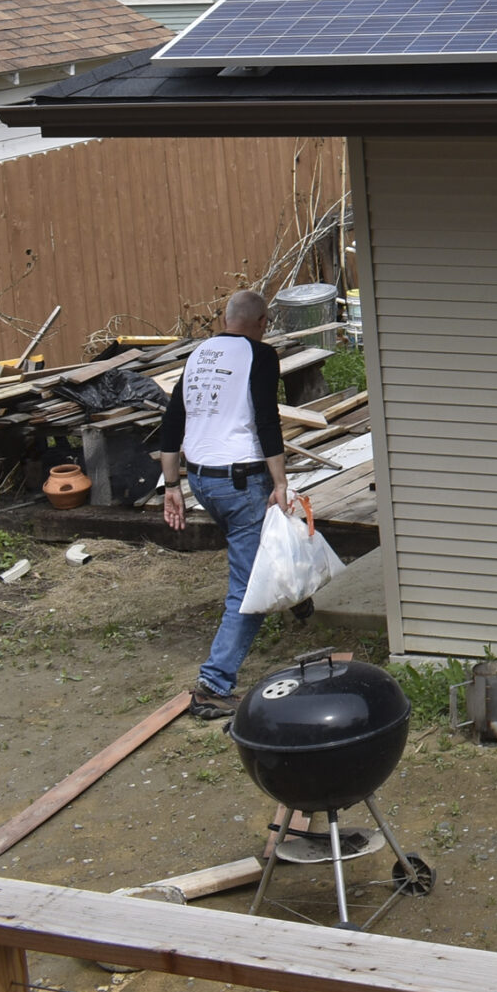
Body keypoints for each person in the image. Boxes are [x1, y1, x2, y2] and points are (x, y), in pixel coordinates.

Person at [152, 289, 291, 719]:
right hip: (240, 478)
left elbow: (173, 419)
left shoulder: (199, 355)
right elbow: (267, 420)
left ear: (227, 318)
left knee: (260, 549)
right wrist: (281, 481)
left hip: (202, 479)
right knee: (249, 585)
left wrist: (171, 486)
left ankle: (295, 596)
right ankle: (215, 683)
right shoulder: (261, 356)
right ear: (261, 322)